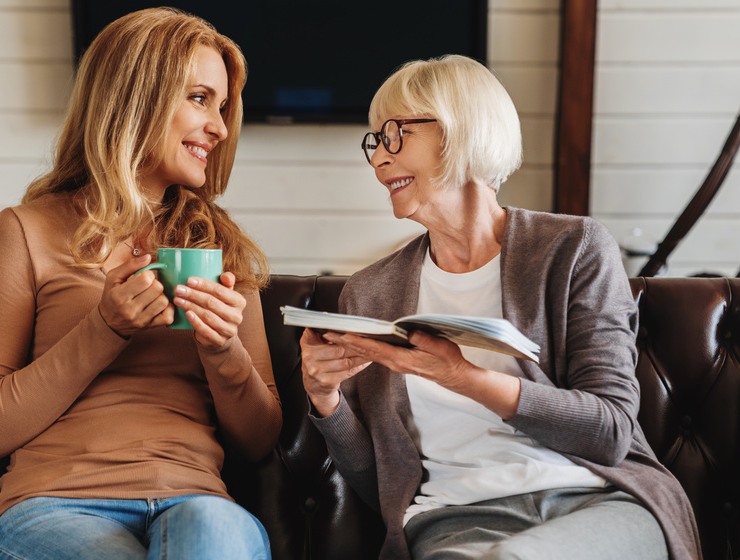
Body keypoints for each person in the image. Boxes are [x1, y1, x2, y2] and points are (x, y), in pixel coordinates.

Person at [300, 55, 701, 560]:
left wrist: (463, 377)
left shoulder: (573, 249)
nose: (379, 158)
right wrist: (325, 399)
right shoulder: (371, 292)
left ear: (460, 131)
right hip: (454, 525)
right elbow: (378, 482)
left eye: (396, 134)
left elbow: (611, 430)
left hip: (598, 505)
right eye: (375, 141)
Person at [0, 8, 281, 560]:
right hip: (54, 505)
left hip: (195, 498)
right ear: (137, 97)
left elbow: (258, 440)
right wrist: (105, 328)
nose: (221, 128)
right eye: (201, 99)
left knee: (213, 534)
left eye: (223, 108)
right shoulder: (25, 231)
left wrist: (223, 350)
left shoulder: (215, 247)